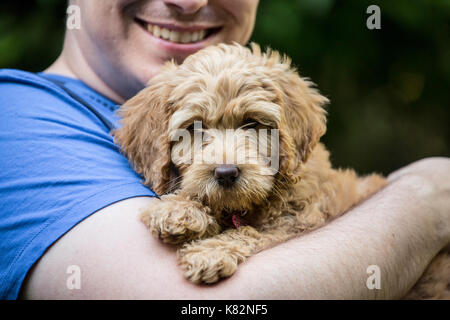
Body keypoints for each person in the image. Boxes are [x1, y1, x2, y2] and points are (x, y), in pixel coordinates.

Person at [0, 0, 448, 300]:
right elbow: (205, 307)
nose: (189, 0)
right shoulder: (18, 122)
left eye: (254, 126)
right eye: (194, 130)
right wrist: (423, 207)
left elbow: (302, 220)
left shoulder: (300, 170)